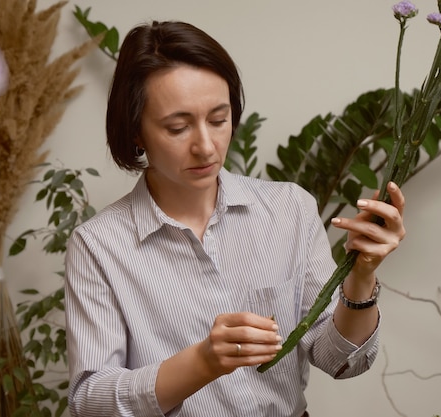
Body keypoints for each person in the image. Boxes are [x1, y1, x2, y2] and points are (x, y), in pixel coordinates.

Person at [64, 20, 406, 417]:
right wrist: (203, 362)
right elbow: (90, 401)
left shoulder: (288, 209)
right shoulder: (99, 245)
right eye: (178, 127)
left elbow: (338, 359)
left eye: (219, 119)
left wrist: (362, 276)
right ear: (136, 131)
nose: (206, 147)